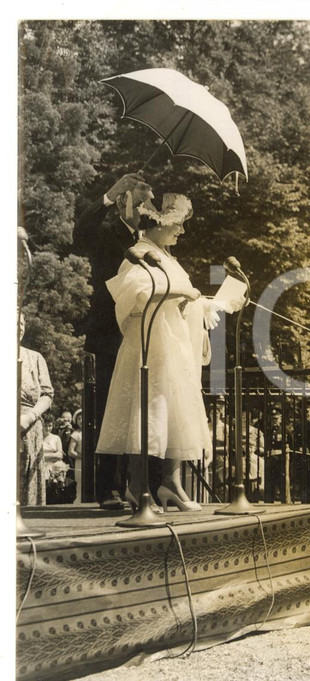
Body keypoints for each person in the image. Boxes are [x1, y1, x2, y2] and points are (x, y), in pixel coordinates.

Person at [95, 192, 217, 512]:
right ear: (160, 223)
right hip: (149, 342)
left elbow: (180, 297)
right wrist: (183, 291)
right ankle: (137, 487)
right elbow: (138, 294)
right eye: (178, 224)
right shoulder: (139, 252)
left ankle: (170, 483)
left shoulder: (167, 256)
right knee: (146, 409)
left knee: (175, 410)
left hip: (173, 341)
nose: (183, 231)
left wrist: (200, 303)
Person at [73, 172, 151, 509]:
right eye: (143, 203)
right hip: (110, 334)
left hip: (140, 332)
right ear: (124, 202)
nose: (148, 210)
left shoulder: (146, 239)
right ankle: (108, 488)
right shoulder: (106, 231)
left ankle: (137, 486)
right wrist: (108, 195)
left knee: (136, 408)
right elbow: (80, 233)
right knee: (110, 408)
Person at [19, 313, 54, 506]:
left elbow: (47, 394)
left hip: (30, 427)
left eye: (21, 323)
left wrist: (29, 417)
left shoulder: (35, 358)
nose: (19, 327)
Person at [67, 409, 84, 503]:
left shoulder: (92, 432)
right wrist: (83, 457)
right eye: (79, 419)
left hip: (92, 463)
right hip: (80, 462)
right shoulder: (75, 434)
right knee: (80, 484)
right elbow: (71, 452)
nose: (81, 420)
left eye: (82, 418)